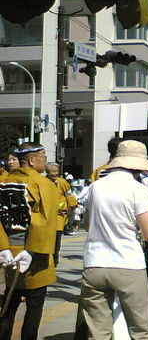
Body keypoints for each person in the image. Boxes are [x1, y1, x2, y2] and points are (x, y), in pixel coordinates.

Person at [80, 140, 148, 340]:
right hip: (127, 264)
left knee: (98, 331)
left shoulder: (96, 187)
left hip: (94, 264)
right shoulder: (138, 190)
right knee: (140, 330)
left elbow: (86, 225)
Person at [0, 142, 60, 340]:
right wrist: (32, 251)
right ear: (32, 160)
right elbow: (45, 221)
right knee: (34, 304)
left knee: (9, 301)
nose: (45, 160)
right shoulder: (43, 184)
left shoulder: (4, 181)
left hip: (10, 248)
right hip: (33, 251)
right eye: (43, 156)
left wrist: (3, 248)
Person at [45, 162, 78, 265]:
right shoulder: (44, 182)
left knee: (57, 239)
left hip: (60, 215)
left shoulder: (62, 182)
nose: (55, 174)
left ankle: (55, 260)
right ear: (48, 172)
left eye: (57, 171)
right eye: (53, 172)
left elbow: (69, 195)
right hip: (47, 216)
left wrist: (71, 206)